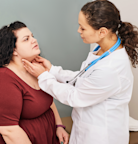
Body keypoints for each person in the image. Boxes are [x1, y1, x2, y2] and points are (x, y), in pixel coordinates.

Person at [22, 0, 138, 144]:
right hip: (84, 128)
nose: (78, 31)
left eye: (83, 28)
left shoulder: (112, 68)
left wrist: (43, 76)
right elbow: (85, 77)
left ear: (102, 32)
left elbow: (75, 96)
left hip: (102, 137)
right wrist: (52, 70)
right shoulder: (103, 49)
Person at [0, 21, 69, 144]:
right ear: (13, 50)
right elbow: (9, 131)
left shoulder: (34, 67)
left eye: (32, 36)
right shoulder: (1, 80)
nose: (34, 40)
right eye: (26, 39)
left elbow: (47, 101)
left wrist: (59, 126)